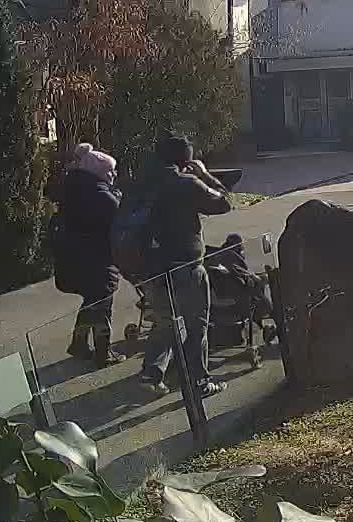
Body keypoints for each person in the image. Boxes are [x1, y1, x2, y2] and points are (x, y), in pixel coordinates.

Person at [137, 135, 233, 397]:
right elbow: (224, 202)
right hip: (186, 264)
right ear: (186, 159)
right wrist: (205, 175)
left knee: (165, 321)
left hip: (151, 266)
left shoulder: (141, 182)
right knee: (196, 324)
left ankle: (152, 374)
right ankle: (198, 381)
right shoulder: (186, 183)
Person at [49, 143, 122, 366]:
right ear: (98, 172)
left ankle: (79, 343)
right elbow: (119, 218)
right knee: (102, 304)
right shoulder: (102, 196)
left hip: (72, 259)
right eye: (110, 171)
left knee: (92, 300)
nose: (113, 175)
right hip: (97, 260)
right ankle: (103, 353)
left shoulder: (73, 190)